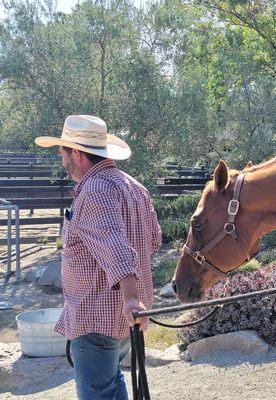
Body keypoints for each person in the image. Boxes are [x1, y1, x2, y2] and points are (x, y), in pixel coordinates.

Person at [35, 115, 162, 400]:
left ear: (77, 155)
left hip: (96, 319)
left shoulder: (94, 190)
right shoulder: (135, 187)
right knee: (112, 382)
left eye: (63, 150)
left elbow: (116, 247)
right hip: (124, 320)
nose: (60, 156)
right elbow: (153, 240)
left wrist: (130, 296)